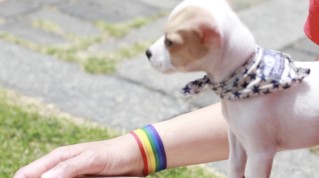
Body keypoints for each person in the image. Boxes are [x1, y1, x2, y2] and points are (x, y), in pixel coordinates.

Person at [14, 0, 319, 178]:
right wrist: (135, 149)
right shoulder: (249, 88)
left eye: (171, 43)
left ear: (213, 39)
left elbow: (261, 139)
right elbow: (263, 118)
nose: (155, 49)